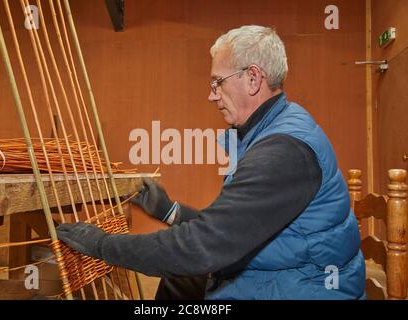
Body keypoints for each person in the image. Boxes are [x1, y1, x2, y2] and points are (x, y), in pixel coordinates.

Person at [57, 25, 365, 300]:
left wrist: (103, 246)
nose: (211, 95)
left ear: (253, 78)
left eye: (217, 82)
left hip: (301, 288)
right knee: (179, 281)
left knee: (187, 269)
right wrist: (170, 211)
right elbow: (231, 227)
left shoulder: (281, 153)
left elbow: (202, 247)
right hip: (287, 275)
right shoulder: (273, 127)